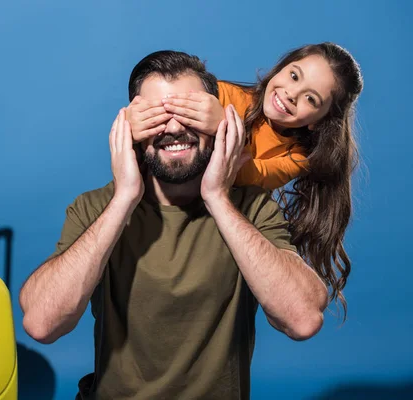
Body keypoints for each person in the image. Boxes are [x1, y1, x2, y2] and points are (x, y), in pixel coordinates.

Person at [19, 50, 328, 400]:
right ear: (131, 127)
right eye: (158, 115)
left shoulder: (251, 208)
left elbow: (303, 319)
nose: (175, 127)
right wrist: (124, 198)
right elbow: (41, 323)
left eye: (188, 113)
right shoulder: (96, 207)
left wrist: (217, 198)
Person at [129, 43, 363, 319]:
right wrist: (137, 120)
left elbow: (248, 174)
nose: (291, 94)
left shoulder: (297, 158)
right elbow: (170, 122)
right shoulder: (225, 93)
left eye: (311, 99)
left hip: (220, 223)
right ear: (280, 68)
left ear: (319, 120)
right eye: (294, 76)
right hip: (165, 201)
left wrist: (223, 126)